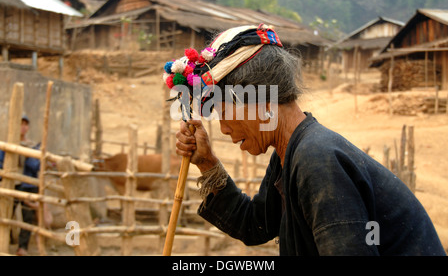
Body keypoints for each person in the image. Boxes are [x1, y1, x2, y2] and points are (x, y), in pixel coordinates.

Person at [170, 24, 446, 256]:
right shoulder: (290, 153)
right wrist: (206, 162)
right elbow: (255, 224)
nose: (224, 128)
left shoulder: (316, 159)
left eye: (223, 110)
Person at [0, 115, 42, 256]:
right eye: (20, 124)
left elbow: (34, 165)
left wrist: (29, 154)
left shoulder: (33, 146)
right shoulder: (7, 145)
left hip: (28, 185)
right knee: (6, 213)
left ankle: (22, 247)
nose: (23, 127)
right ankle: (3, 243)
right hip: (11, 184)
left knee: (27, 218)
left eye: (25, 124)